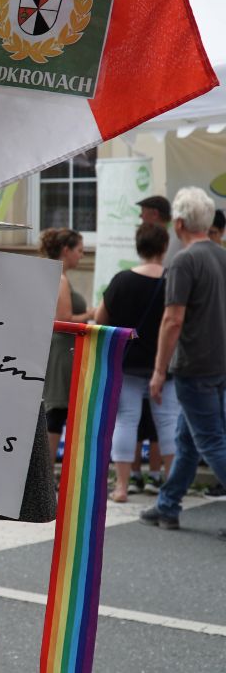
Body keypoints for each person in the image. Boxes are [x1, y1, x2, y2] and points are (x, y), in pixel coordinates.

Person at [141, 187, 226, 530]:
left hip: (193, 365)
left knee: (210, 441)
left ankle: (168, 504)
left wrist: (159, 371)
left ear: (177, 223)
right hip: (219, 363)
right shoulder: (222, 256)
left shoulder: (184, 261)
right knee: (187, 439)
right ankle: (168, 505)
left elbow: (172, 320)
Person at [94, 224, 178, 502]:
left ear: (138, 247)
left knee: (126, 422)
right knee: (168, 423)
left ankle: (120, 486)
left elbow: (101, 319)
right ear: (164, 247)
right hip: (164, 365)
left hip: (127, 363)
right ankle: (170, 485)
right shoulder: (173, 281)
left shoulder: (121, 281)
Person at [39, 227, 94, 466]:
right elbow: (63, 319)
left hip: (60, 348)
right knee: (58, 409)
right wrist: (91, 313)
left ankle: (48, 471)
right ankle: (48, 471)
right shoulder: (60, 278)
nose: (81, 255)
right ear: (66, 250)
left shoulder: (55, 275)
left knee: (57, 410)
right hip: (62, 349)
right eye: (79, 250)